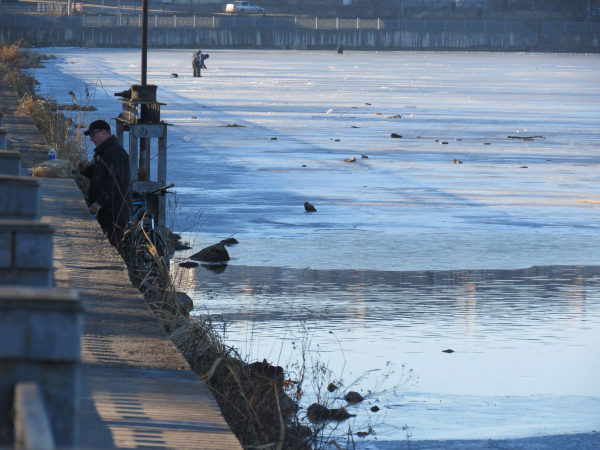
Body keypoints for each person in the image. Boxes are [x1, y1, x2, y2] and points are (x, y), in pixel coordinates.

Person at [76, 119, 133, 253]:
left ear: (103, 133)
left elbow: (115, 181)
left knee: (117, 247)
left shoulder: (114, 152)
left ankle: (121, 272)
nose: (91, 139)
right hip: (108, 208)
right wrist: (86, 170)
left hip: (115, 209)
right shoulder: (106, 151)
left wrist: (100, 202)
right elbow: (102, 178)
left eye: (92, 135)